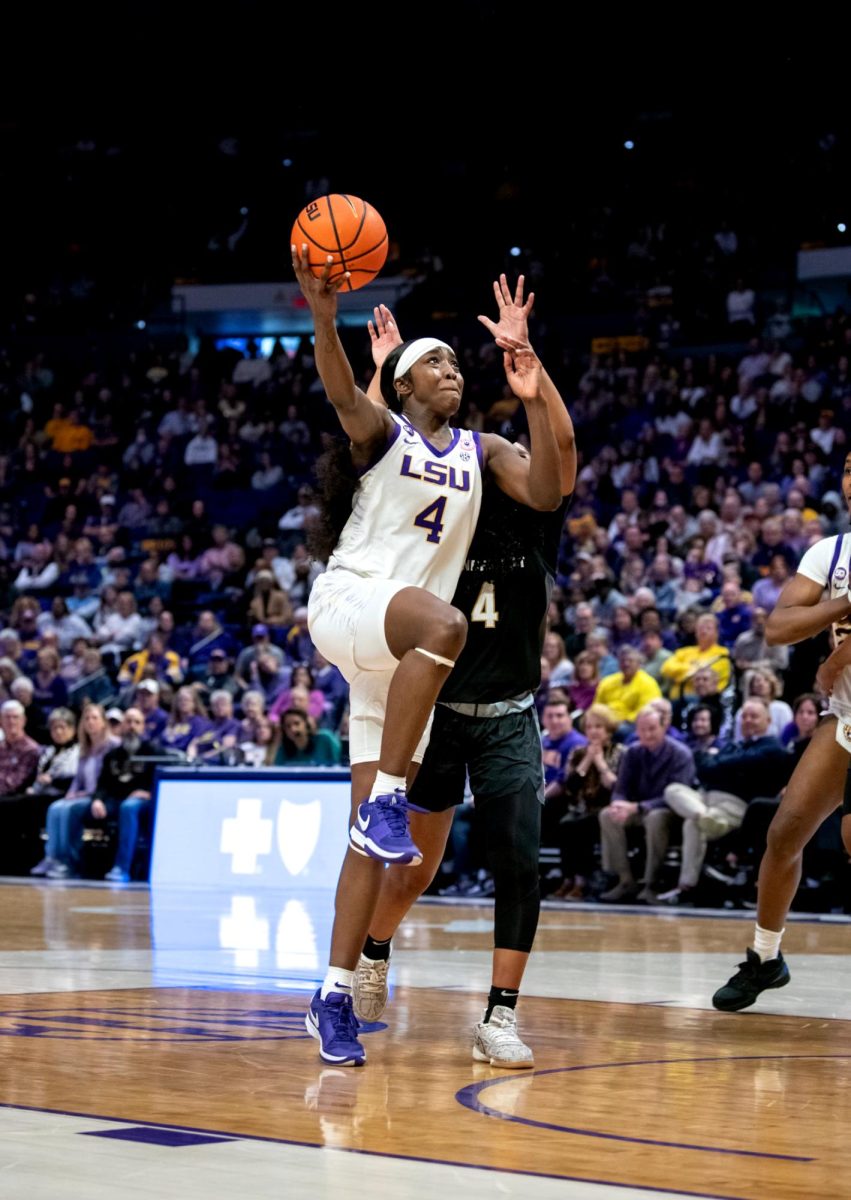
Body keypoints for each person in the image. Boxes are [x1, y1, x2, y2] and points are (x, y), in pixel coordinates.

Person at [290, 249, 562, 1069]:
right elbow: (341, 393)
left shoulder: (480, 452)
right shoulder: (382, 436)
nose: (450, 368)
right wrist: (322, 314)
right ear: (402, 388)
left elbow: (549, 490)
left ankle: (332, 994)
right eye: (430, 361)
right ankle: (390, 801)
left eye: (453, 359)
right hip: (355, 605)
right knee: (446, 625)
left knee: (368, 848)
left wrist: (534, 379)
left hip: (396, 658)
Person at [712, 469, 851, 1011]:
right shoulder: (831, 553)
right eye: (847, 469)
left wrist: (839, 655)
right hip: (844, 718)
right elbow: (778, 627)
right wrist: (842, 609)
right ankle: (765, 958)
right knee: (784, 833)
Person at [597, 706, 697, 902]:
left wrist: (638, 807)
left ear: (664, 727)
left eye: (652, 728)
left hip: (671, 812)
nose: (647, 734)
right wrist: (618, 804)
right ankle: (625, 880)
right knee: (608, 815)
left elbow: (678, 795)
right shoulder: (632, 752)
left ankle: (652, 884)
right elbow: (620, 788)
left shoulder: (681, 754)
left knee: (655, 818)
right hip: (638, 809)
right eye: (642, 729)